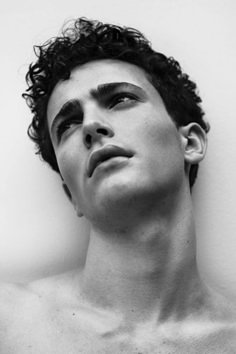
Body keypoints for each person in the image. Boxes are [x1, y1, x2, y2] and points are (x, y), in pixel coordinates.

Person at [1, 17, 235, 353]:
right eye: (68, 124)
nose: (92, 125)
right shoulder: (8, 325)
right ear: (72, 196)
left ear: (191, 143)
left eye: (120, 100)